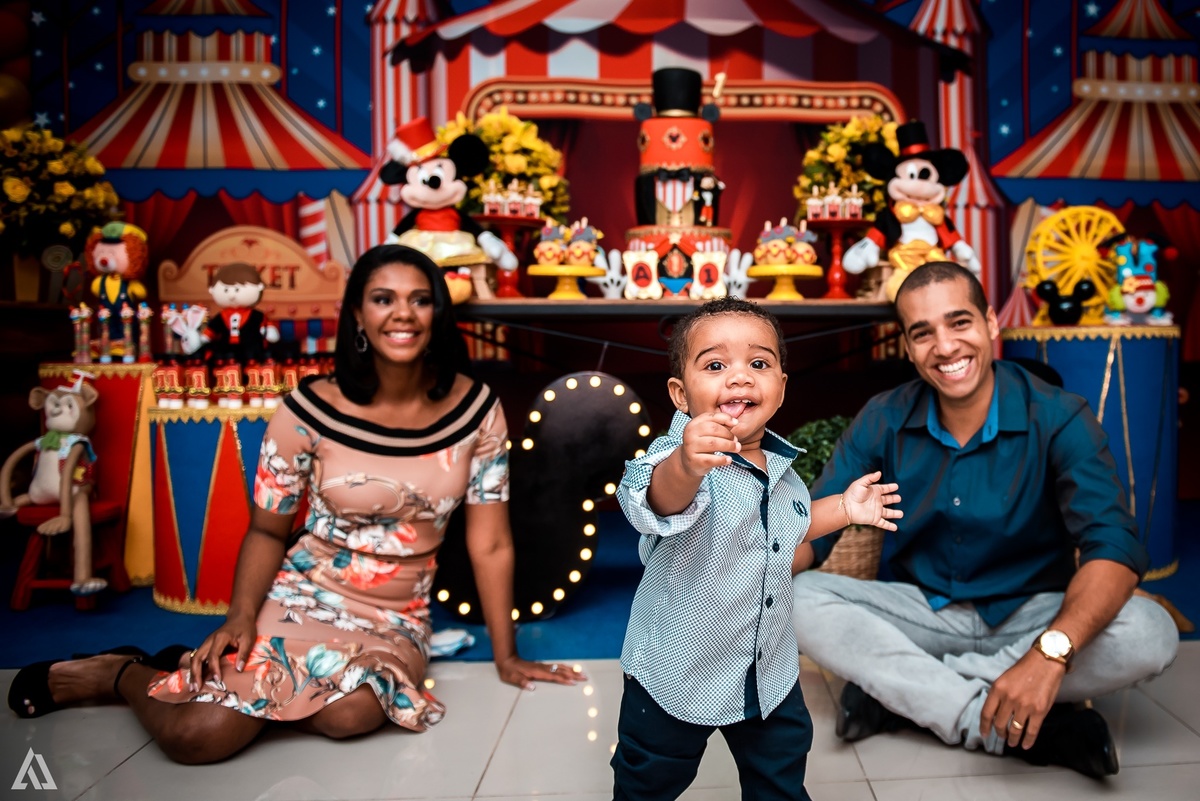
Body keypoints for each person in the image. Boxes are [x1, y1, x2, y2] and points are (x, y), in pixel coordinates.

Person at [7, 244, 582, 763]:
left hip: (395, 614)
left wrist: (507, 656)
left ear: (438, 315)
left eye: (419, 300)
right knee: (197, 737)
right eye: (383, 299)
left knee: (350, 714)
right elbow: (266, 531)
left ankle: (237, 686)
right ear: (358, 314)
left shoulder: (476, 409)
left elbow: (491, 540)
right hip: (303, 594)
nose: (402, 314)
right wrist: (238, 617)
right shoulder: (307, 408)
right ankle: (123, 673)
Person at [791, 261, 1179, 778]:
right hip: (922, 613)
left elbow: (1113, 547)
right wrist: (744, 557)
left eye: (960, 322)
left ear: (991, 322)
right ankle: (1005, 725)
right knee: (796, 597)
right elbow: (811, 539)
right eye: (923, 333)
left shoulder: (1060, 415)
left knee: (1150, 631)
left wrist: (1048, 654)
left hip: (1034, 615)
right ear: (907, 346)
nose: (946, 347)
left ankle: (903, 696)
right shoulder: (883, 416)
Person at [612, 297, 903, 801]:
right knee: (650, 778)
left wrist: (845, 508)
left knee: (781, 767)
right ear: (681, 394)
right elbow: (654, 499)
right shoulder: (678, 458)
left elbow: (790, 527)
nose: (741, 377)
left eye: (760, 363)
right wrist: (688, 463)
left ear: (780, 388)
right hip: (678, 673)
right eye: (716, 364)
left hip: (766, 667)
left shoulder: (780, 469)